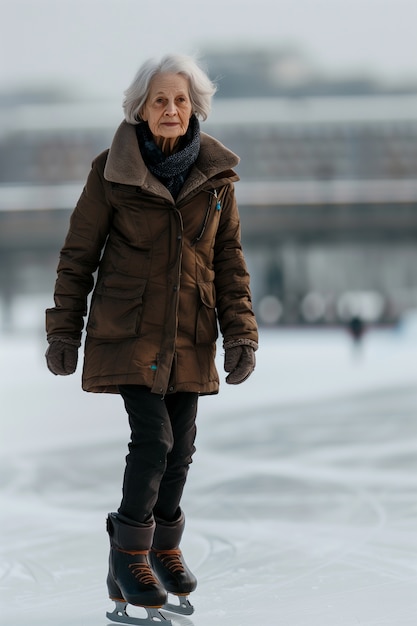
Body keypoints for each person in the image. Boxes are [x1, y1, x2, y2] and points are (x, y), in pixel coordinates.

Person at [45, 53, 258, 621]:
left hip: (190, 333)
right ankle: (130, 554)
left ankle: (162, 550)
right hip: (129, 332)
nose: (170, 109)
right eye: (159, 100)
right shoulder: (110, 172)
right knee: (155, 439)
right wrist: (64, 330)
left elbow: (230, 261)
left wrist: (242, 334)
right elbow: (78, 257)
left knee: (181, 448)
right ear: (140, 107)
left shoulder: (217, 179)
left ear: (196, 108)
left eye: (181, 100)